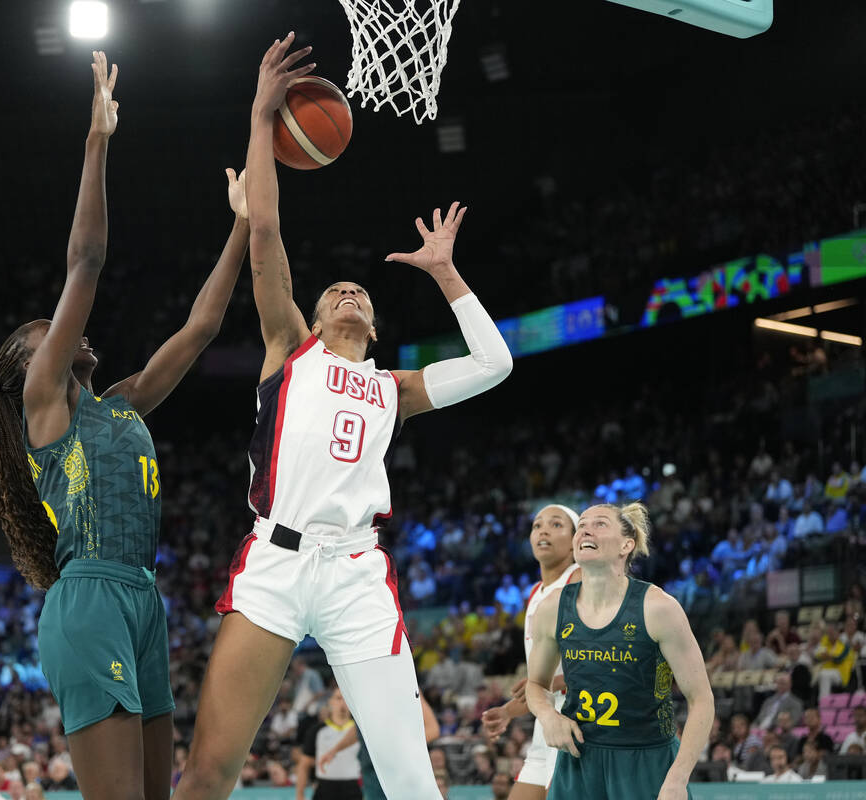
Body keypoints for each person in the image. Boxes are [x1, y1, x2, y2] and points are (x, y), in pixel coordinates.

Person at [172, 33, 513, 800]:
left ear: (376, 325)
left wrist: (450, 275)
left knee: (410, 780)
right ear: (314, 318)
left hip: (358, 572)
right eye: (334, 292)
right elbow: (264, 232)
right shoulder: (291, 349)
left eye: (360, 291)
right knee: (207, 774)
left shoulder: (395, 386)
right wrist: (262, 117)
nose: (348, 291)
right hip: (277, 566)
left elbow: (495, 365)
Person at [0, 52, 249, 800]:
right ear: (34, 363)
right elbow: (87, 262)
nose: (66, 333)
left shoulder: (120, 404)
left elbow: (200, 329)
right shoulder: (44, 403)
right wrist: (97, 141)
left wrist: (243, 227)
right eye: (48, 332)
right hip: (90, 600)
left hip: (141, 596)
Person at [525, 502, 715, 800]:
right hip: (579, 763)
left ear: (627, 544)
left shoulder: (659, 608)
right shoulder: (551, 608)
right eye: (583, 524)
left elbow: (701, 700)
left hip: (646, 761)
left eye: (600, 523)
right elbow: (535, 685)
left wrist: (677, 778)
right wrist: (548, 716)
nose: (586, 528)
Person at [481, 505, 581, 800]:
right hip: (544, 730)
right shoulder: (536, 592)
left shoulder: (579, 583)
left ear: (577, 542)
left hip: (575, 726)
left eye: (556, 524)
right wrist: (509, 712)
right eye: (537, 525)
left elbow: (597, 662)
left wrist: (547, 684)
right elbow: (542, 682)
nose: (544, 530)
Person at [298, 687, 361, 800]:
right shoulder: (317, 731)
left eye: (346, 699)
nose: (342, 703)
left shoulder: (360, 731)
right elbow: (304, 764)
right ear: (331, 702)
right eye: (338, 698)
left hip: (353, 787)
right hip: (325, 788)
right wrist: (300, 794)